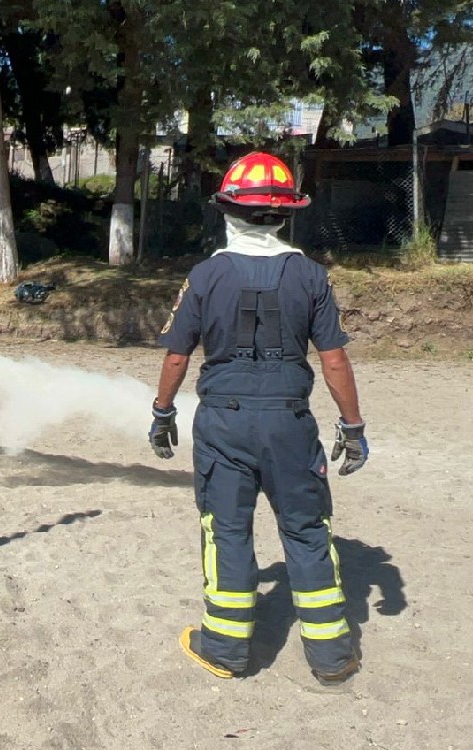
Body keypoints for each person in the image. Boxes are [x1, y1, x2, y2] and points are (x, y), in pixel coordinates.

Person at [149, 152, 369, 685]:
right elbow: (334, 357)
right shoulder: (311, 275)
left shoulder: (205, 275)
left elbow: (178, 355)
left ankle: (225, 648)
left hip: (223, 424)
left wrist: (162, 412)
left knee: (226, 530)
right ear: (286, 214)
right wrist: (352, 427)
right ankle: (332, 656)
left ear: (227, 209)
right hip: (291, 425)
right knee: (307, 530)